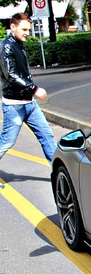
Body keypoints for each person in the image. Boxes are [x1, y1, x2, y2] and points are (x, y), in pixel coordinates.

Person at [0, 13, 56, 190]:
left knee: (47, 137)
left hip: (29, 104)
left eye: (28, 30)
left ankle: (61, 173)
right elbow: (11, 75)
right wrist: (34, 89)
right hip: (14, 106)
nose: (27, 33)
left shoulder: (18, 44)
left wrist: (30, 93)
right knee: (6, 142)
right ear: (13, 27)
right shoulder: (6, 47)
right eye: (24, 29)